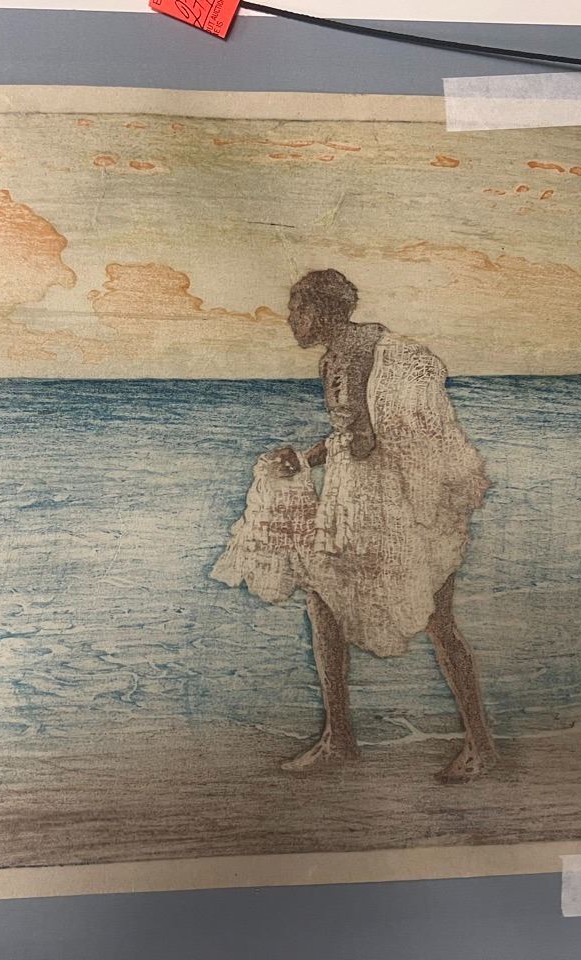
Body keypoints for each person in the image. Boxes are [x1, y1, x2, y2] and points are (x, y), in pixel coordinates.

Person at [214, 269, 497, 782]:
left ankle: (471, 743)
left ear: (321, 312)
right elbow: (353, 432)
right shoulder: (353, 350)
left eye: (296, 309)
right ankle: (343, 737)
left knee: (430, 617)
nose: (290, 319)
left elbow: (365, 438)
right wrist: (308, 457)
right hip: (373, 497)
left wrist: (329, 452)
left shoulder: (355, 355)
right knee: (329, 603)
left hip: (386, 502)